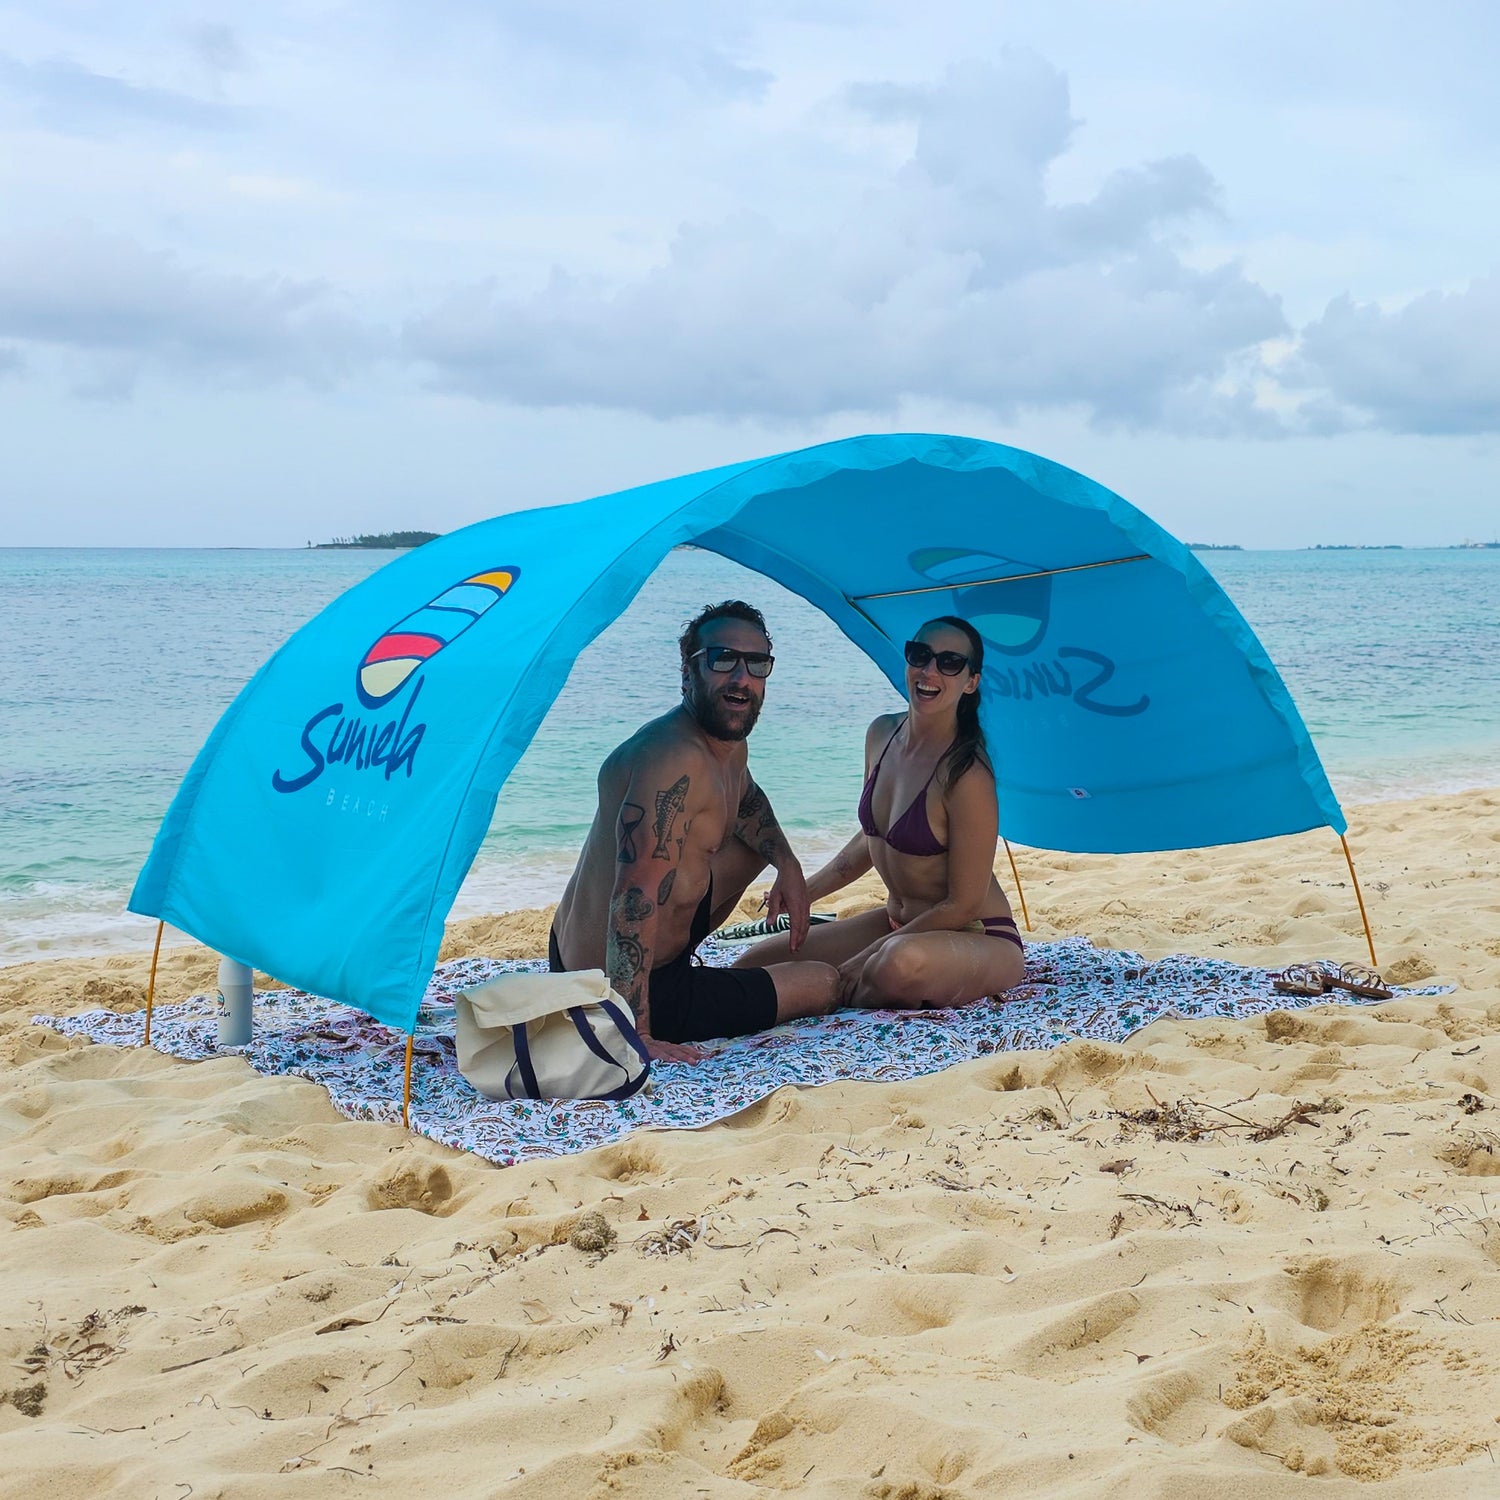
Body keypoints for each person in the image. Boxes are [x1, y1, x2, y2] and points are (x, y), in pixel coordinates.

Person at [549, 600, 839, 1064]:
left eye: (756, 664)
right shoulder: (673, 758)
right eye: (723, 659)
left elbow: (747, 801)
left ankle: (690, 970)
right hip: (609, 988)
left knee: (749, 848)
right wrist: (635, 1033)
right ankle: (657, 1004)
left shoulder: (722, 745)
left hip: (582, 954)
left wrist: (787, 863)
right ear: (689, 672)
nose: (742, 678)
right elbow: (633, 897)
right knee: (823, 983)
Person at [734, 615, 1025, 1008]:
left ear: (971, 682)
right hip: (898, 923)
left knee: (895, 964)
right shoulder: (881, 734)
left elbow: (963, 905)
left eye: (949, 662)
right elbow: (872, 841)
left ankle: (825, 993)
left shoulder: (967, 775)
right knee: (752, 964)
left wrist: (869, 954)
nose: (929, 670)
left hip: (974, 935)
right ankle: (832, 986)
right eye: (920, 655)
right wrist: (805, 891)